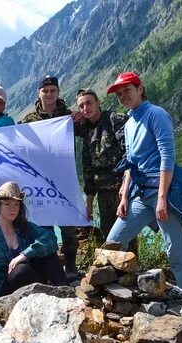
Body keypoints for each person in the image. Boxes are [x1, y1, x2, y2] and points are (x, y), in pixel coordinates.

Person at [105, 72, 182, 302]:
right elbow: (130, 162)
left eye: (127, 90)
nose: (123, 97)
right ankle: (118, 298)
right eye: (119, 94)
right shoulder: (129, 123)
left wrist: (161, 198)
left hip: (162, 192)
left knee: (176, 250)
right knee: (114, 242)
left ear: (140, 89)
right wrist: (124, 197)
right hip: (140, 193)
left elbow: (167, 156)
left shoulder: (156, 114)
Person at [0, 181, 66, 306]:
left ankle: (64, 293)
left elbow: (50, 238)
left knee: (48, 254)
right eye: (7, 204)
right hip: (6, 285)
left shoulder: (24, 226)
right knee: (21, 270)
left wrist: (25, 254)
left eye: (16, 204)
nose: (12, 208)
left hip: (32, 279)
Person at [20, 75, 79, 279]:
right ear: (39, 93)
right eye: (45, 91)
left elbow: (86, 129)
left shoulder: (68, 116)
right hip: (39, 181)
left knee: (68, 223)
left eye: (53, 90)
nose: (49, 94)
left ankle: (71, 264)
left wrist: (80, 119)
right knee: (43, 225)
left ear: (58, 92)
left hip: (64, 178)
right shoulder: (28, 120)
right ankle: (49, 264)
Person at [75, 88, 129, 239]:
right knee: (109, 237)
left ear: (98, 103)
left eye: (89, 103)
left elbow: (129, 154)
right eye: (81, 106)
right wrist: (89, 203)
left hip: (122, 189)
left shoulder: (115, 119)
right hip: (103, 194)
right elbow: (88, 169)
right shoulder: (86, 130)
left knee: (126, 236)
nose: (86, 108)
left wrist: (125, 190)